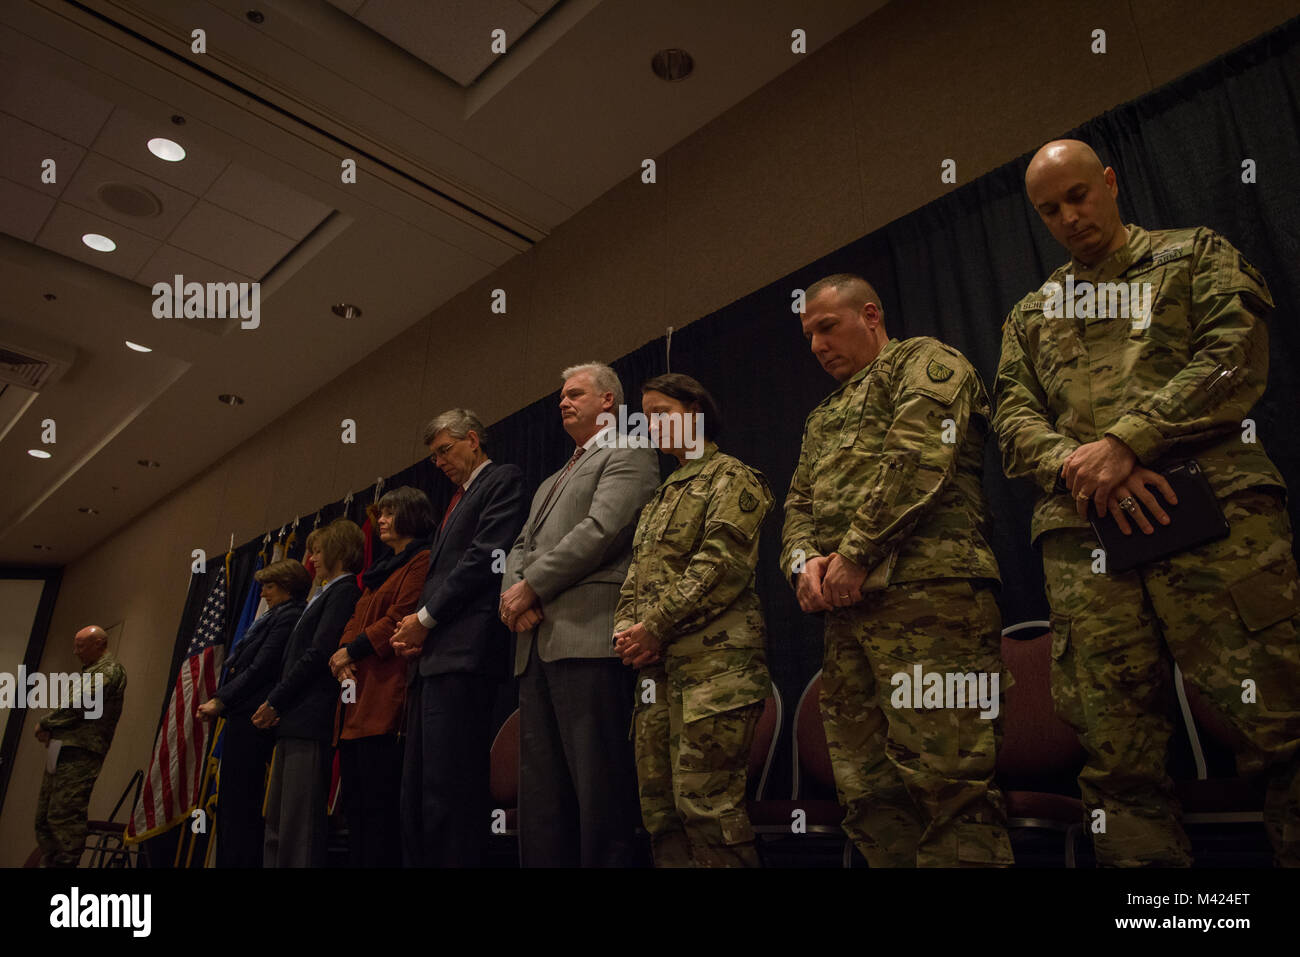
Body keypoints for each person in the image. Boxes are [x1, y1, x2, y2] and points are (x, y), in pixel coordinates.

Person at [993, 138, 1300, 866]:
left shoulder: (1194, 255)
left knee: (1282, 724)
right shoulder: (1031, 313)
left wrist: (1131, 438)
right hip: (1087, 543)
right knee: (1116, 758)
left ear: (1109, 181)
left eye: (1078, 196)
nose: (1069, 217)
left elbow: (1234, 349)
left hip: (1215, 522)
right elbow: (1011, 416)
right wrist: (1081, 461)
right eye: (1049, 210)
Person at [779, 273, 1014, 867]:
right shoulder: (821, 415)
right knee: (867, 790)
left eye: (827, 327)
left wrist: (856, 554)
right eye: (808, 335)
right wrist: (802, 563)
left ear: (871, 314)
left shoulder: (926, 361)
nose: (816, 346)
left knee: (949, 783)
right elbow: (798, 504)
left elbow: (918, 457)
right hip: (847, 614)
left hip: (931, 599)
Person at [499, 362, 659, 867]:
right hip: (536, 645)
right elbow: (520, 545)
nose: (562, 403)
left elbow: (601, 531)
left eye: (574, 394)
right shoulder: (549, 480)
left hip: (588, 639)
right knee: (542, 799)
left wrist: (532, 587)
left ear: (608, 400)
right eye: (561, 396)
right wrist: (513, 597)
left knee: (599, 794)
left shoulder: (629, 451)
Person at [613, 373, 772, 867]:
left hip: (715, 671)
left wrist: (655, 626)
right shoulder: (660, 498)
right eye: (646, 417)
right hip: (656, 675)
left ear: (696, 413)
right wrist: (627, 632)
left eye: (663, 413)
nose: (653, 425)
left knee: (709, 810)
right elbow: (635, 577)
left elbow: (720, 566)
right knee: (660, 815)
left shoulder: (732, 477)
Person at [390, 412, 526, 866]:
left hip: (465, 656)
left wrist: (424, 619)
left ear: (472, 440)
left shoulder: (501, 480)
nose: (439, 462)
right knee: (418, 794)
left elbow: (486, 557)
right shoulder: (454, 500)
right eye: (433, 456)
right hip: (431, 662)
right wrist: (417, 631)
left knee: (451, 791)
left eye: (445, 450)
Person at [325, 488, 433, 867]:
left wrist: (350, 651)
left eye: (389, 513)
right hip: (354, 699)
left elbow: (399, 618)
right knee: (355, 812)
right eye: (379, 513)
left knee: (379, 811)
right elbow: (354, 619)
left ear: (411, 515)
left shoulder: (421, 560)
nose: (381, 520)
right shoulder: (377, 573)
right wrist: (341, 655)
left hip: (385, 695)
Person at [254, 518, 363, 867]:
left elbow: (317, 654)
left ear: (338, 551)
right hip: (292, 720)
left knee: (298, 828)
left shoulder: (345, 591)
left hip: (310, 719)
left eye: (317, 551)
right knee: (278, 823)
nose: (311, 559)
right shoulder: (322, 594)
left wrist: (276, 699)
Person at [198, 559, 309, 867]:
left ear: (287, 587)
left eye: (269, 586)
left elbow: (262, 666)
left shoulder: (289, 618)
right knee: (230, 803)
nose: (262, 594)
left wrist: (221, 700)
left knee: (240, 804)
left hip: (253, 718)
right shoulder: (273, 616)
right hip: (241, 713)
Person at [33, 626, 127, 867]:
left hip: (81, 752)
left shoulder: (109, 670)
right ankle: (50, 861)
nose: (75, 652)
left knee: (64, 815)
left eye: (81, 646)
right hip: (63, 749)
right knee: (45, 816)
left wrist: (45, 722)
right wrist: (51, 730)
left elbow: (81, 704)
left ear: (99, 644)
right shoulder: (88, 673)